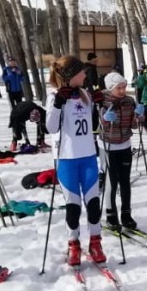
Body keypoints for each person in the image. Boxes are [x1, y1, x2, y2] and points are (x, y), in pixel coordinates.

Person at [45, 55, 107, 266]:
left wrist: (99, 106)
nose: (85, 74)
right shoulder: (54, 95)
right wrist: (58, 105)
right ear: (71, 75)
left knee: (93, 203)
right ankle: (74, 243)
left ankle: (95, 242)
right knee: (73, 205)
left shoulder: (85, 94)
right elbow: (51, 128)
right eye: (81, 71)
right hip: (67, 159)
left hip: (88, 156)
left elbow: (95, 126)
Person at [99, 72, 144, 229]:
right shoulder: (101, 102)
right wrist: (105, 119)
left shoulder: (129, 101)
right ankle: (111, 215)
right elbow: (97, 126)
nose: (122, 90)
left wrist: (138, 116)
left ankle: (126, 214)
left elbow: (133, 125)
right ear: (111, 88)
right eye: (119, 88)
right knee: (111, 182)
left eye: (124, 87)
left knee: (125, 181)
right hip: (108, 146)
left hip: (124, 144)